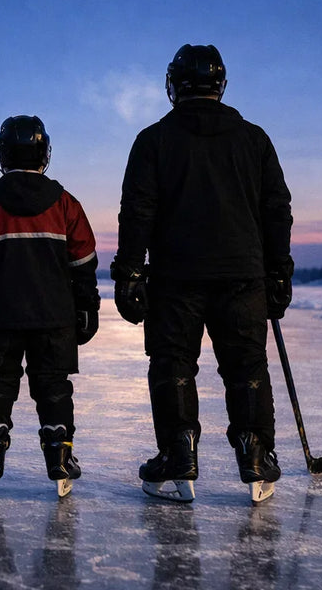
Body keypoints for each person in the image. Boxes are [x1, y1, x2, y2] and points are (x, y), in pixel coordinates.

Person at [110, 44, 294, 504]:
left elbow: (138, 211)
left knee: (172, 364)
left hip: (176, 278)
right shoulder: (253, 138)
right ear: (221, 85)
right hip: (242, 277)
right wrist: (278, 272)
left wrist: (130, 271)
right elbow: (277, 210)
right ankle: (254, 456)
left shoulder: (153, 139)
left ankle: (178, 456)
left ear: (173, 86)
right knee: (245, 365)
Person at [0, 115, 100, 499]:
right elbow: (84, 264)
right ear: (44, 152)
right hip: (55, 319)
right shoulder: (66, 203)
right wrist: (87, 307)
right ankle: (59, 456)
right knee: (53, 388)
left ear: (1, 153)